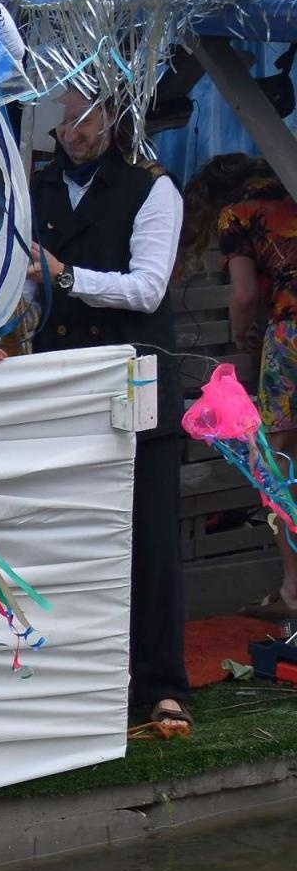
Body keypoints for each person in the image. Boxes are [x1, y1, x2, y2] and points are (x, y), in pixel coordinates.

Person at [26, 88, 191, 736]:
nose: (72, 128)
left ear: (116, 116)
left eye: (85, 114)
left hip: (133, 376)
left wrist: (66, 277)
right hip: (59, 382)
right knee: (61, 536)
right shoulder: (32, 186)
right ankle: (70, 682)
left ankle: (161, 685)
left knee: (148, 538)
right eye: (62, 116)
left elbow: (147, 286)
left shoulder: (153, 189)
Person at [181, 155, 297, 619]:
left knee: (277, 463)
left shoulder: (237, 214)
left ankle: (292, 587)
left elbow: (245, 295)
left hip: (289, 336)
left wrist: (241, 334)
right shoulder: (289, 191)